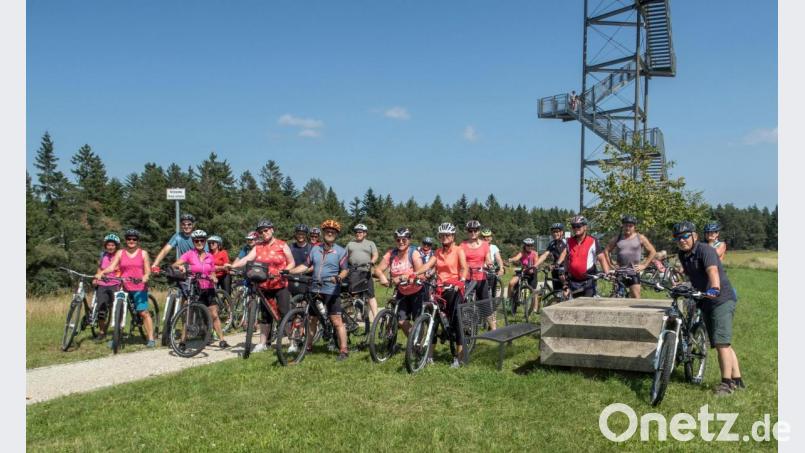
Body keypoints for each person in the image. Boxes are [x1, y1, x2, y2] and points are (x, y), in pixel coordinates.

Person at [673, 221, 743, 396]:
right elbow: (694, 275)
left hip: (721, 299)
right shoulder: (683, 255)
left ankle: (727, 384)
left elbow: (712, 271)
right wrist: (683, 284)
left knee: (721, 343)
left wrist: (715, 288)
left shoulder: (706, 250)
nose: (682, 240)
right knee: (722, 342)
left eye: (686, 236)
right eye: (678, 238)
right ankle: (738, 379)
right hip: (705, 300)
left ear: (694, 236)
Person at [229, 219, 296, 353]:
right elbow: (247, 258)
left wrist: (286, 270)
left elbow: (292, 262)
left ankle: (292, 343)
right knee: (265, 315)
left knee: (285, 313)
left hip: (280, 284)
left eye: (266, 230)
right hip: (264, 285)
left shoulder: (282, 245)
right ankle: (263, 343)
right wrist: (233, 265)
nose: (264, 233)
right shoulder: (258, 246)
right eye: (261, 232)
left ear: (272, 230)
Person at [289, 219, 350, 361]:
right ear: (323, 233)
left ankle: (344, 350)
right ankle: (308, 347)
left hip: (331, 289)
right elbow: (305, 265)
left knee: (336, 320)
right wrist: (290, 271)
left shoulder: (340, 251)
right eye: (327, 231)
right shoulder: (315, 249)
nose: (329, 233)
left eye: (332, 232)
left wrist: (339, 277)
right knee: (312, 319)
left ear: (336, 234)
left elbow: (345, 269)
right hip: (315, 288)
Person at [419, 223, 469, 368]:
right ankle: (429, 356)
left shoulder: (459, 250)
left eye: (447, 235)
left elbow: (464, 268)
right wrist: (415, 274)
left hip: (454, 288)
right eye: (442, 235)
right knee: (433, 321)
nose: (444, 238)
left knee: (456, 323)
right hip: (440, 289)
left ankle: (459, 357)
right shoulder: (438, 252)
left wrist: (462, 281)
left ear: (453, 236)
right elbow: (428, 265)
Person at [95, 229, 155, 348]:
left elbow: (147, 270)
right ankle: (116, 337)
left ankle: (151, 338)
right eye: (129, 239)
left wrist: (145, 276)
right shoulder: (120, 253)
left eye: (134, 239)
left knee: (143, 312)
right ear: (126, 240)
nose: (131, 241)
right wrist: (102, 273)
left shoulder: (143, 253)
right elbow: (112, 267)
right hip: (124, 285)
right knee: (119, 311)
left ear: (138, 241)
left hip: (139, 286)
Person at [173, 230, 229, 349]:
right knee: (188, 313)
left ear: (205, 242)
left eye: (202, 240)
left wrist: (213, 277)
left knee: (213, 314)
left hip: (208, 288)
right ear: (193, 242)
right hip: (194, 287)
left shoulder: (210, 256)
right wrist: (181, 267)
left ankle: (222, 340)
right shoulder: (189, 254)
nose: (199, 242)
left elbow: (212, 270)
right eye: (196, 241)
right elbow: (175, 264)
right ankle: (183, 341)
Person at [375, 227, 426, 339]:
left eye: (404, 239)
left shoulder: (414, 253)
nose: (401, 242)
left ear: (409, 240)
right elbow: (378, 269)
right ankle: (414, 343)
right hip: (402, 292)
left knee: (418, 322)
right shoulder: (391, 254)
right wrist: (382, 277)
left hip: (417, 292)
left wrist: (406, 276)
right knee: (401, 321)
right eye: (398, 239)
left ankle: (419, 345)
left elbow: (421, 273)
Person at [603, 215, 657, 298]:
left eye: (630, 226)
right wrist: (611, 265)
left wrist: (644, 265)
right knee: (616, 297)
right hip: (620, 272)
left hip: (633, 272)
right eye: (625, 225)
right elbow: (606, 251)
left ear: (634, 226)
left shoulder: (640, 237)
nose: (627, 228)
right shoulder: (618, 238)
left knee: (636, 298)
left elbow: (652, 251)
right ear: (622, 226)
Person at [565, 215, 610, 297]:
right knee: (575, 307)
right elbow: (567, 259)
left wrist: (607, 273)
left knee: (586, 306)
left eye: (578, 226)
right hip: (573, 281)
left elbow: (601, 257)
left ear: (585, 227)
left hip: (588, 281)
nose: (576, 228)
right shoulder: (569, 242)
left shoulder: (592, 241)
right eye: (573, 226)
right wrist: (565, 275)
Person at [345, 223, 379, 323]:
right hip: (354, 271)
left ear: (365, 233)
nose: (358, 233)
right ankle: (358, 313)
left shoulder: (370, 243)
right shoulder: (350, 244)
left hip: (366, 270)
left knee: (370, 294)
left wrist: (372, 261)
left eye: (360, 232)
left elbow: (375, 254)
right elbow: (344, 256)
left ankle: (376, 316)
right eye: (356, 232)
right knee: (354, 293)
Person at [92, 233, 121, 340]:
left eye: (112, 245)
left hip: (115, 284)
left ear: (116, 246)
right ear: (105, 246)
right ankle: (102, 331)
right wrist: (96, 278)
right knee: (101, 309)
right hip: (102, 284)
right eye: (108, 245)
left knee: (115, 309)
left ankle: (116, 332)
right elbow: (99, 268)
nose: (110, 247)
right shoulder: (102, 255)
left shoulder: (120, 255)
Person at [533, 223, 569, 304]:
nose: (555, 233)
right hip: (555, 270)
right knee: (557, 293)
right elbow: (545, 255)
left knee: (565, 290)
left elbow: (564, 255)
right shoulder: (552, 243)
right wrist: (535, 265)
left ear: (562, 232)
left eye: (557, 231)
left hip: (565, 270)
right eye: (553, 232)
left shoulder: (566, 242)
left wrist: (557, 264)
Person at [461, 220, 493, 303]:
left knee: (484, 303)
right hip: (467, 277)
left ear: (479, 231)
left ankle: (486, 315)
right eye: (470, 231)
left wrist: (489, 264)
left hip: (480, 277)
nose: (473, 233)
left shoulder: (485, 244)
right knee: (462, 300)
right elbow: (459, 260)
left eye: (475, 230)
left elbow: (488, 258)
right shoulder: (462, 245)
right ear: (467, 232)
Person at [506, 238, 539, 304]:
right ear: (525, 246)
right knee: (511, 283)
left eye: (531, 245)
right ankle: (509, 299)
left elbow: (536, 264)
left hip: (532, 273)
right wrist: (511, 259)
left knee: (534, 291)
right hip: (523, 272)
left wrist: (533, 269)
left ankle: (535, 309)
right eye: (528, 245)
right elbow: (516, 258)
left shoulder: (535, 253)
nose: (530, 247)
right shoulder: (522, 253)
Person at [288, 224, 313, 297]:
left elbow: (314, 265)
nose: (300, 235)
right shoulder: (290, 247)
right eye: (299, 233)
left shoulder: (311, 248)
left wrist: (302, 272)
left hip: (306, 280)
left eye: (303, 234)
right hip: (292, 279)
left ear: (306, 235)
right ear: (296, 234)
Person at [480, 228, 505, 296]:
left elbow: (498, 259)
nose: (486, 238)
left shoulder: (494, 247)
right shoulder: (478, 246)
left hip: (490, 270)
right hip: (479, 270)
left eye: (488, 236)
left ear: (491, 238)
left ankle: (492, 303)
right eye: (484, 237)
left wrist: (501, 268)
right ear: (481, 237)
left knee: (491, 288)